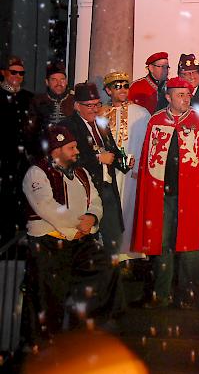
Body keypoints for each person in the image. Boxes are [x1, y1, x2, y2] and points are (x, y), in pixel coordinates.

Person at [132, 77, 199, 308]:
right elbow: (148, 160)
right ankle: (161, 295)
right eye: (180, 95)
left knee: (190, 245)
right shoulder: (156, 121)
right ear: (168, 97)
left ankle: (189, 295)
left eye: (188, 95)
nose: (186, 99)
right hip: (162, 194)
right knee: (162, 242)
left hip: (192, 194)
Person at [21, 125, 119, 345]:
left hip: (80, 243)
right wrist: (78, 224)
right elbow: (47, 207)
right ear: (56, 150)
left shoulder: (82, 172)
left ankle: (89, 333)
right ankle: (44, 346)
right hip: (47, 244)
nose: (77, 151)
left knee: (104, 271)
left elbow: (95, 201)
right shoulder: (37, 173)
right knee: (47, 298)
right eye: (71, 147)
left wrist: (92, 219)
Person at [59, 82, 128, 256]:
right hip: (86, 191)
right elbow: (67, 159)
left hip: (107, 187)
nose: (95, 109)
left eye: (97, 104)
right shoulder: (68, 126)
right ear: (77, 106)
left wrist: (124, 162)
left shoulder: (102, 123)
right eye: (89, 105)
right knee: (87, 241)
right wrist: (97, 158)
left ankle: (111, 276)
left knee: (114, 239)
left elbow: (112, 149)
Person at [100, 71, 151, 260]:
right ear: (108, 90)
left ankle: (130, 254)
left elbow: (147, 143)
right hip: (107, 172)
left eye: (125, 86)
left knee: (130, 209)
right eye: (117, 86)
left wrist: (140, 168)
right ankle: (110, 253)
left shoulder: (141, 113)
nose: (122, 90)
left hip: (132, 172)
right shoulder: (100, 114)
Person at [0, 56, 35, 242]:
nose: (17, 76)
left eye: (21, 73)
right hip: (3, 158)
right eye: (13, 72)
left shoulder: (29, 98)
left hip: (23, 159)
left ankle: (19, 239)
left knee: (22, 196)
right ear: (4, 73)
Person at [29, 62, 75, 145]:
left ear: (66, 81)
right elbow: (31, 130)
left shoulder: (74, 101)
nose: (59, 83)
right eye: (54, 80)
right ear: (47, 82)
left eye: (62, 79)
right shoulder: (37, 101)